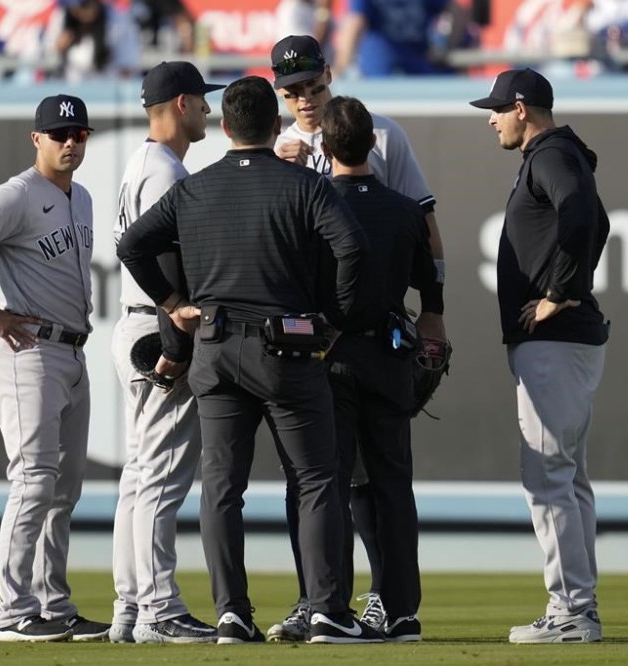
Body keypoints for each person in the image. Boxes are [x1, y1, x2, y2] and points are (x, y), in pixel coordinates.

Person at [117, 75, 384, 645]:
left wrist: (173, 304)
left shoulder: (194, 188)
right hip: (286, 349)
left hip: (214, 349)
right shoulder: (301, 185)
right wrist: (333, 320)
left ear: (224, 125)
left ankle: (232, 615)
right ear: (272, 124)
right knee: (314, 479)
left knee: (221, 487)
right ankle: (326, 612)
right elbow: (353, 246)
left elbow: (132, 245)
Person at [267, 33, 446, 642]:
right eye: (293, 91)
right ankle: (326, 601)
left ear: (330, 77)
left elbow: (425, 231)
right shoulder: (276, 149)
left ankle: (365, 604)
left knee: (358, 479)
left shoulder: (381, 132)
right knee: (327, 481)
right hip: (319, 341)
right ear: (278, 93)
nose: (306, 99)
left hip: (362, 335)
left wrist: (432, 315)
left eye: (314, 86)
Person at [0, 94, 110, 643]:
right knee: (33, 483)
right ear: (37, 139)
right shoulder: (18, 193)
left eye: (79, 133)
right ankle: (13, 611)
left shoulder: (82, 199)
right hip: (27, 352)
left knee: (64, 491)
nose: (71, 142)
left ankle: (54, 604)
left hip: (73, 351)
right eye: (60, 134)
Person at [469, 68, 610, 644]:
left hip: (556, 339)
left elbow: (581, 214)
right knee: (567, 478)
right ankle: (580, 605)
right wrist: (569, 287)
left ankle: (571, 611)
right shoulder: (560, 153)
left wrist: (558, 293)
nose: (492, 120)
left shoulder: (550, 153)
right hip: (567, 340)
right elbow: (594, 221)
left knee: (548, 477)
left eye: (498, 110)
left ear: (522, 108)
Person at [318, 95, 445, 642]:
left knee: (331, 482)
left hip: (332, 358)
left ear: (325, 147)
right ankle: (402, 612)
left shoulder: (315, 202)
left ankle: (331, 607)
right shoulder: (403, 209)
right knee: (393, 485)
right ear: (374, 143)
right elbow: (430, 278)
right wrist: (434, 321)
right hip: (392, 355)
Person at [108, 61, 225, 645]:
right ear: (181, 103)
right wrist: (176, 332)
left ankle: (130, 606)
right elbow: (161, 260)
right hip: (156, 330)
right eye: (203, 100)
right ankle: (158, 608)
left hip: (134, 323)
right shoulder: (164, 170)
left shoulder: (141, 163)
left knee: (139, 474)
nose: (209, 109)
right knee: (159, 476)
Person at [331, 0, 456, 77]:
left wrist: (340, 68)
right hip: (383, 67)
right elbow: (355, 22)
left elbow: (355, 23)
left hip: (415, 67)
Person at [43, 0, 141, 83]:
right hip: (69, 86)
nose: (80, 12)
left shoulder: (118, 20)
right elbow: (44, 54)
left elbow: (129, 64)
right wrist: (58, 47)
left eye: (85, 5)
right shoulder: (62, 17)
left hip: (106, 86)